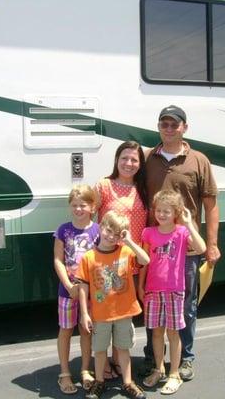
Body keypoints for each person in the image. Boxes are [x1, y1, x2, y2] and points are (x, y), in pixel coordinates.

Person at [143, 105, 221, 381]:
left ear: (184, 128)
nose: (168, 128)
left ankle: (186, 358)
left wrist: (211, 244)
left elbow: (211, 206)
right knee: (153, 304)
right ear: (159, 127)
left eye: (174, 124)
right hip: (153, 250)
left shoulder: (199, 160)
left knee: (185, 306)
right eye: (164, 124)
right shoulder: (148, 158)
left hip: (186, 250)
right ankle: (155, 359)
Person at [138, 190, 206, 394]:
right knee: (156, 333)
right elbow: (143, 264)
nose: (162, 214)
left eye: (167, 211)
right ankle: (158, 369)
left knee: (173, 333)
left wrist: (188, 223)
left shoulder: (182, 232)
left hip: (174, 290)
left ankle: (174, 373)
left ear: (176, 212)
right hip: (152, 290)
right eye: (159, 210)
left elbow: (201, 248)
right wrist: (140, 287)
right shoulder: (148, 233)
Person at [77, 211, 149, 399]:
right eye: (109, 230)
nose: (111, 236)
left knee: (123, 349)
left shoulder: (125, 251)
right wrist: (85, 313)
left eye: (117, 234)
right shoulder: (89, 257)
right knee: (100, 350)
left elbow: (145, 260)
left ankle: (128, 383)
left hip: (124, 312)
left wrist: (129, 241)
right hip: (100, 314)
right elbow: (83, 287)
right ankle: (99, 382)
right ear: (101, 227)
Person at [94, 140, 149, 378]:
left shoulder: (143, 188)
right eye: (124, 158)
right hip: (107, 263)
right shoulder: (104, 186)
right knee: (106, 313)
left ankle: (118, 361)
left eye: (134, 160)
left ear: (140, 164)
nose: (129, 163)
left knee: (125, 315)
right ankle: (103, 363)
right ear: (117, 160)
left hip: (133, 261)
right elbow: (90, 218)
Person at [53, 185, 99, 395]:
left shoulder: (98, 230)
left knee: (86, 330)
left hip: (90, 293)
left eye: (83, 205)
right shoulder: (63, 230)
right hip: (68, 291)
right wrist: (69, 285)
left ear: (92, 207)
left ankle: (85, 369)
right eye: (75, 205)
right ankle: (64, 373)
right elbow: (58, 260)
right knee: (66, 330)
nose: (79, 209)